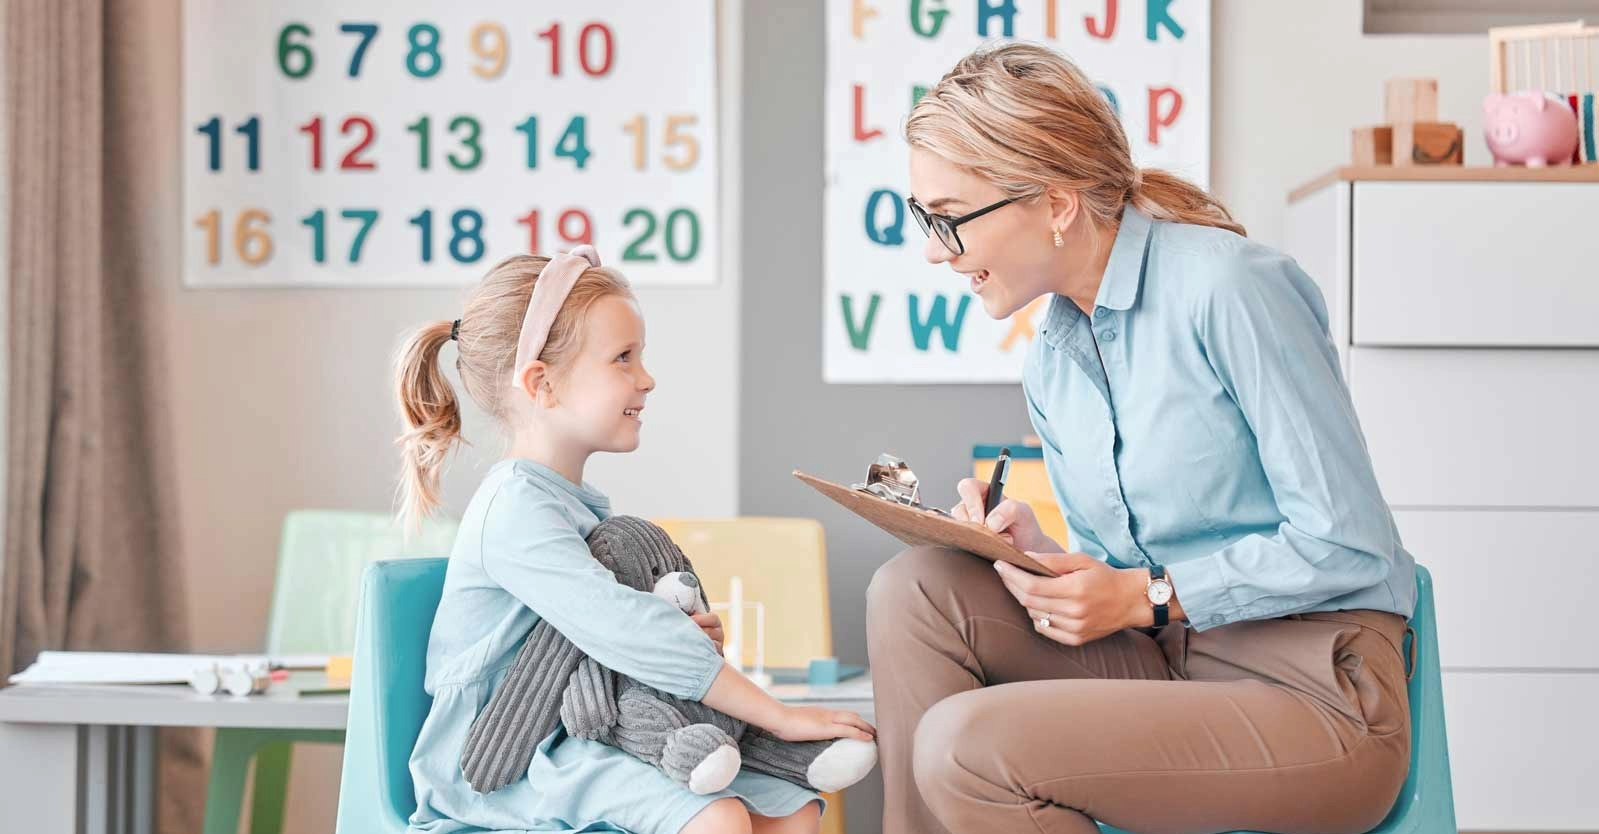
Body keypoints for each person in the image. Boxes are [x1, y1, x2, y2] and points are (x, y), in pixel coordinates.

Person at [868, 44, 1417, 834]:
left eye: (949, 218)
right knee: (916, 587)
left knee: (964, 744)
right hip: (1169, 664)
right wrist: (1043, 560)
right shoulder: (1055, 357)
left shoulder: (1229, 288)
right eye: (928, 220)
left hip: (1313, 696)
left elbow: (1350, 544)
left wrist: (1148, 595)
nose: (932, 248)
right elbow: (1124, 580)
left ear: (1056, 205)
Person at [394, 246, 874, 834]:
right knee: (717, 818)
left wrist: (687, 638)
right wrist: (776, 716)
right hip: (501, 763)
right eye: (622, 358)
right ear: (542, 384)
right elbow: (624, 629)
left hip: (574, 738)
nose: (646, 378)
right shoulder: (514, 509)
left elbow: (607, 642)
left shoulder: (576, 506)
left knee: (791, 808)